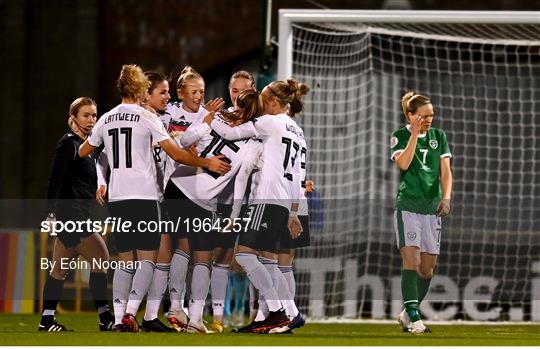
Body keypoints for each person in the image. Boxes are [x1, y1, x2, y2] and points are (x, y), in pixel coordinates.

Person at [79, 64, 230, 332]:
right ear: (142, 90)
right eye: (163, 92)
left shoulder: (107, 118)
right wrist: (205, 161)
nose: (167, 97)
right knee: (150, 259)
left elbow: (85, 152)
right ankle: (132, 314)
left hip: (118, 197)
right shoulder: (148, 118)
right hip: (146, 196)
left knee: (127, 261)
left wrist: (102, 178)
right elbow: (178, 152)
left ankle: (119, 319)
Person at [204, 79, 310, 334]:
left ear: (273, 102)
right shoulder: (298, 131)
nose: (260, 104)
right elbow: (298, 177)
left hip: (266, 198)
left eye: (263, 99)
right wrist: (294, 212)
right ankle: (284, 312)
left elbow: (229, 133)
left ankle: (275, 311)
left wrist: (209, 119)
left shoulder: (269, 122)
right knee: (269, 260)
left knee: (243, 255)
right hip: (284, 202)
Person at [163, 88, 264, 333]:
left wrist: (204, 117)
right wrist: (234, 215)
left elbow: (185, 141)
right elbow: (240, 181)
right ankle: (195, 321)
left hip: (175, 188)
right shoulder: (254, 142)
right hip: (199, 200)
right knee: (203, 259)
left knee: (180, 249)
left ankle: (175, 306)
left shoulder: (216, 118)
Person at [39, 97, 114, 332]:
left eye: (94, 115)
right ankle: (105, 319)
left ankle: (46, 321)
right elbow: (55, 180)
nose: (91, 120)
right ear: (74, 118)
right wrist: (52, 214)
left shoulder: (89, 147)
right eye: (86, 115)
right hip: (70, 215)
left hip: (79, 214)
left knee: (58, 270)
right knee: (101, 259)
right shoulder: (68, 144)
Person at [390, 91, 452, 334]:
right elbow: (403, 164)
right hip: (408, 206)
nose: (429, 120)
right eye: (423, 116)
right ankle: (415, 319)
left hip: (432, 208)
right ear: (410, 115)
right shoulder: (399, 136)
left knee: (427, 269)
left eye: (431, 116)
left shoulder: (439, 136)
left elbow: (445, 171)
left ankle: (406, 313)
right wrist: (414, 135)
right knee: (411, 261)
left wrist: (446, 198)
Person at [210, 70, 257, 333]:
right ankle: (219, 315)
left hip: (253, 199)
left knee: (253, 259)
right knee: (222, 258)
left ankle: (257, 313)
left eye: (243, 90)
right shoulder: (221, 116)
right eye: (234, 90)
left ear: (253, 90)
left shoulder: (259, 121)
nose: (238, 96)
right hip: (223, 197)